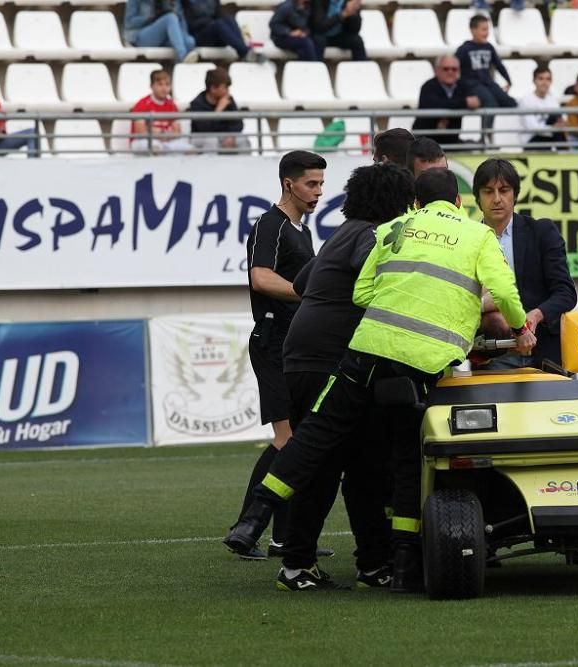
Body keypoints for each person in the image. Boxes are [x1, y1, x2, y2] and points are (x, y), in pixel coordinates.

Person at [223, 168, 536, 594]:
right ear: (461, 202)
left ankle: (255, 519)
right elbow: (504, 290)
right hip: (418, 361)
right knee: (402, 461)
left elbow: (362, 294)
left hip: (361, 350)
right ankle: (399, 567)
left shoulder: (393, 230)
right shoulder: (476, 236)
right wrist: (519, 331)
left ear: (418, 204)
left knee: (314, 438)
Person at [277, 162, 416, 590]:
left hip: (300, 359)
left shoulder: (341, 233)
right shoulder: (374, 236)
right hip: (333, 365)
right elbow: (381, 284)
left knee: (339, 465)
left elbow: (301, 283)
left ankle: (310, 564)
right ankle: (362, 565)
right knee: (361, 470)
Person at [224, 150, 324, 561]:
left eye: (321, 184)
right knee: (287, 442)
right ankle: (246, 529)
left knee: (294, 442)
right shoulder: (271, 225)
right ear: (289, 184)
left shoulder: (301, 229)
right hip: (272, 343)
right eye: (311, 184)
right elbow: (260, 277)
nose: (319, 192)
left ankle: (282, 537)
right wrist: (309, 294)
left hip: (294, 346)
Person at [473, 158, 576, 371]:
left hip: (544, 354)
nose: (497, 199)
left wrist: (536, 314)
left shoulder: (542, 232)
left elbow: (566, 293)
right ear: (477, 198)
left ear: (515, 195)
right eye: (488, 191)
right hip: (490, 356)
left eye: (504, 190)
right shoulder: (466, 240)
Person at [456, 15, 517, 137]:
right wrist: (463, 90)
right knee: (491, 104)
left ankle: (489, 131)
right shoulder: (464, 49)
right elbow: (455, 70)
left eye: (488, 29)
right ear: (473, 30)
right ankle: (485, 137)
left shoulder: (489, 47)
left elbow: (498, 64)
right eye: (483, 29)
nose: (486, 33)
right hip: (473, 85)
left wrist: (509, 81)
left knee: (511, 102)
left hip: (488, 83)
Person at [412, 55, 481, 149]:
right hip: (424, 143)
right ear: (437, 71)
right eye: (446, 69)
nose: (450, 72)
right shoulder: (428, 86)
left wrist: (448, 110)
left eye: (454, 69)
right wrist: (464, 103)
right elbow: (434, 104)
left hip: (452, 141)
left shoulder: (462, 86)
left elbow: (475, 101)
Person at [129, 69, 195, 154]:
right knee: (156, 148)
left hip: (167, 141)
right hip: (143, 141)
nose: (164, 88)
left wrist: (157, 132)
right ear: (151, 86)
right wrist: (164, 133)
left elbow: (177, 132)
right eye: (160, 84)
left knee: (191, 150)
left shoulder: (172, 105)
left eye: (167, 84)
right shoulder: (142, 104)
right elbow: (141, 132)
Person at [188, 67, 250, 153]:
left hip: (224, 137)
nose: (228, 91)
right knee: (211, 141)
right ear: (213, 88)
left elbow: (238, 124)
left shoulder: (229, 100)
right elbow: (205, 129)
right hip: (201, 138)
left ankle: (244, 166)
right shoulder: (197, 104)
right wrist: (218, 110)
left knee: (242, 139)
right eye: (225, 88)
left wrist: (231, 136)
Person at [183, 0, 264, 62]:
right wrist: (209, 22)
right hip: (199, 36)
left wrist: (214, 22)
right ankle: (246, 53)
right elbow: (189, 24)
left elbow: (219, 15)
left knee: (229, 19)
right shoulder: (187, 2)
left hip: (216, 33)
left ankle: (244, 51)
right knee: (218, 25)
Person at [124, 0, 198, 63]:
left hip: (166, 36)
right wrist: (150, 18)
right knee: (170, 17)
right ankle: (183, 57)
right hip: (142, 35)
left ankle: (179, 69)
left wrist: (172, 5)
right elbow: (129, 22)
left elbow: (181, 21)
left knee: (189, 41)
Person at [518, 65, 567, 150]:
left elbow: (558, 121)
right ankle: (565, 155)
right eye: (541, 79)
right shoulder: (526, 100)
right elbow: (532, 127)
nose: (544, 82)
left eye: (548, 79)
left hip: (549, 137)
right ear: (534, 81)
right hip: (530, 140)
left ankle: (565, 154)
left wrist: (559, 124)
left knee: (557, 118)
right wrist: (552, 128)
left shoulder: (552, 100)